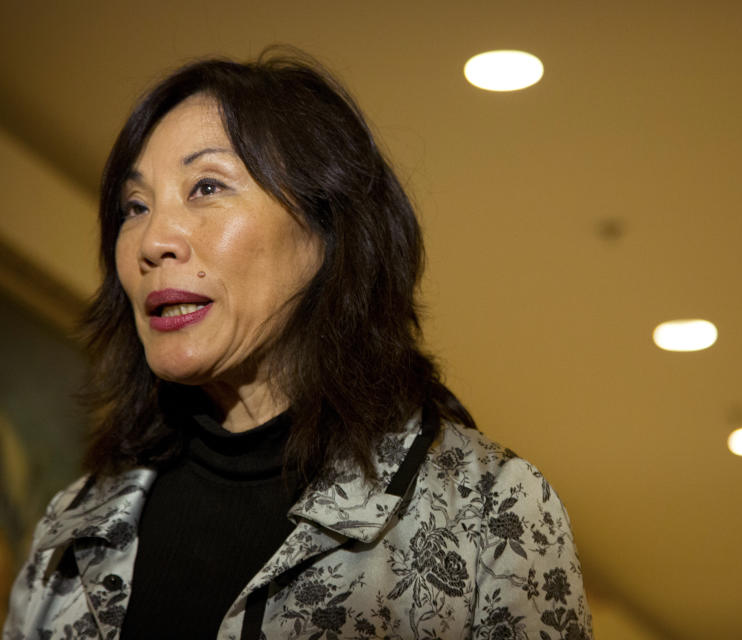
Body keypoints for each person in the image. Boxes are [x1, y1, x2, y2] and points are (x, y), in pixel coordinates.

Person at [3, 49, 592, 640]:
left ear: (327, 229)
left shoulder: (490, 510)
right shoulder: (74, 527)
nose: (153, 240)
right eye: (135, 207)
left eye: (206, 186)